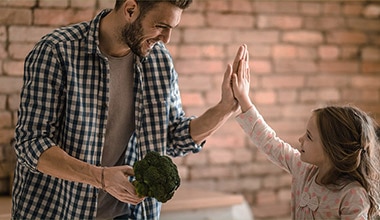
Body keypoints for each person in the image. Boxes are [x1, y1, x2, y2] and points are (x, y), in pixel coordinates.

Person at [12, 0, 249, 219]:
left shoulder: (159, 60)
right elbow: (31, 143)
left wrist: (225, 108)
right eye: (160, 26)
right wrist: (102, 178)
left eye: (172, 28)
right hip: (58, 212)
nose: (166, 38)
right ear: (130, 9)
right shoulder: (57, 51)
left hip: (126, 214)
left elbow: (173, 137)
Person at [231, 50, 380, 219]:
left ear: (332, 149)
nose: (300, 139)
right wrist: (243, 98)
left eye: (309, 136)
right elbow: (268, 141)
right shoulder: (303, 171)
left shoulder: (353, 195)